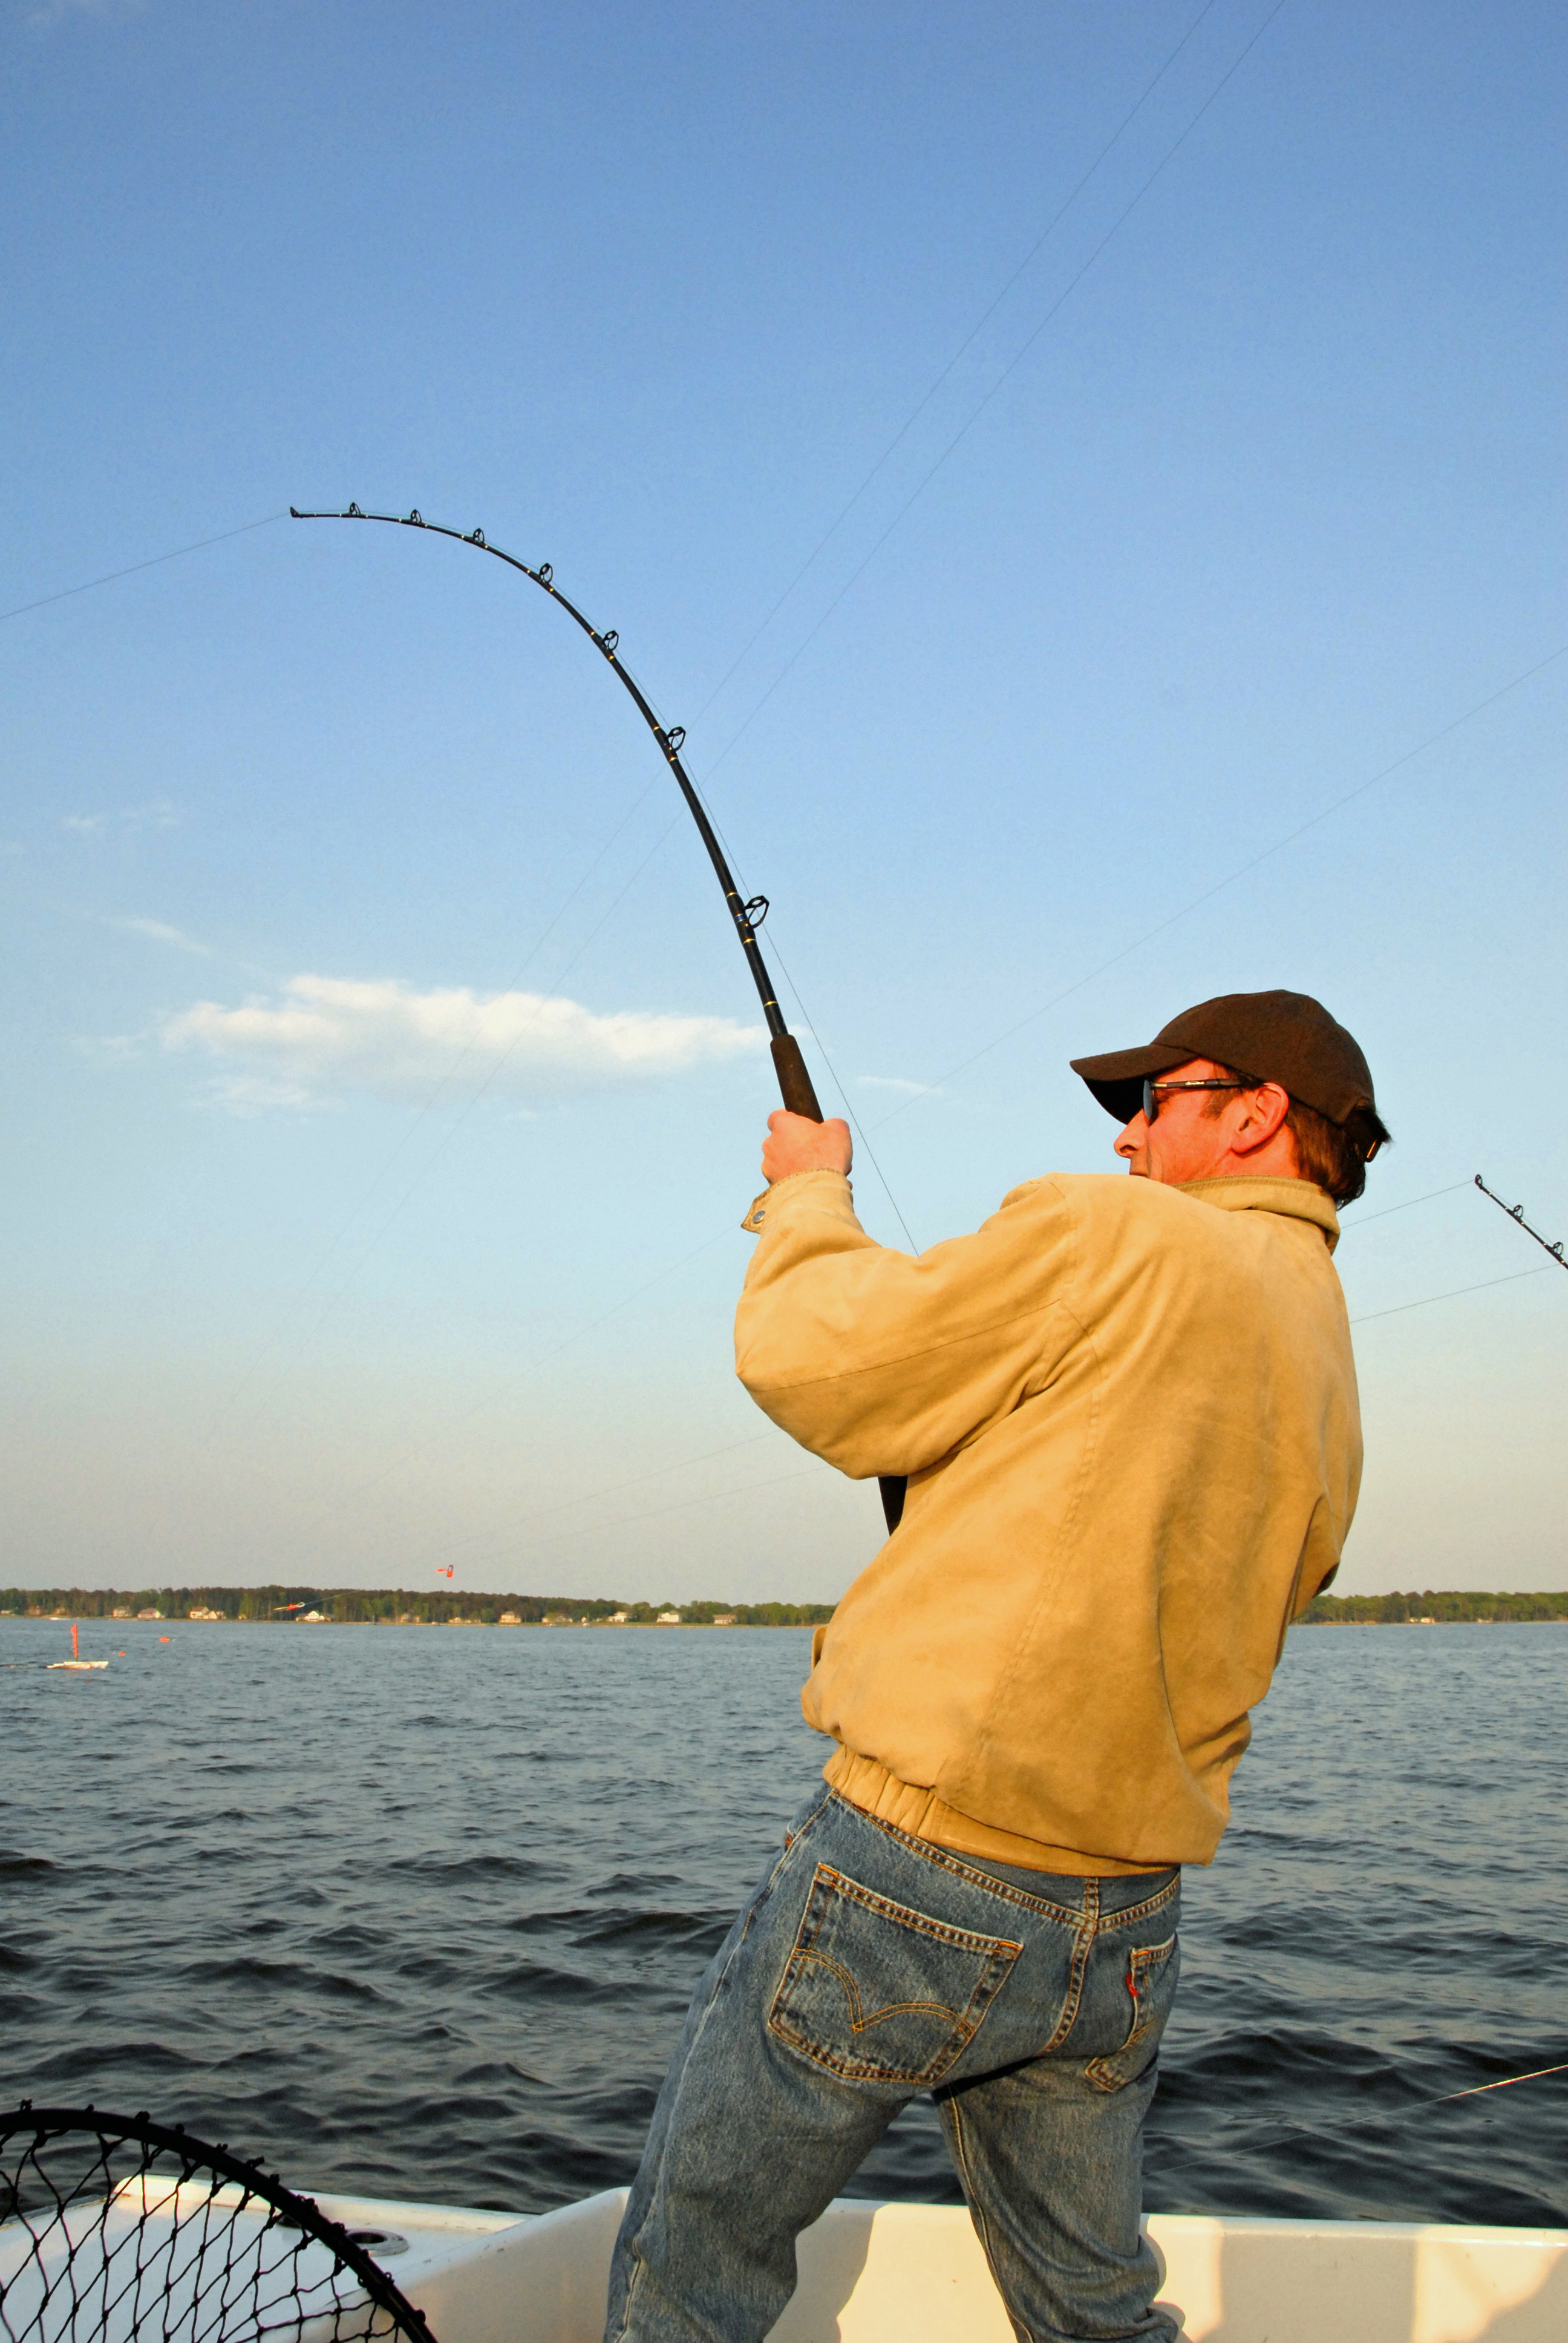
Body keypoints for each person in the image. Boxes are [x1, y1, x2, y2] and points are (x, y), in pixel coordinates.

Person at [604, 988, 1388, 2343]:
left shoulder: (1108, 1229)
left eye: (1153, 1101)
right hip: (1125, 1926)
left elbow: (823, 1359)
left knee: (696, 2265)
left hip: (917, 1867)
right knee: (1094, 2312)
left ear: (1257, 1114)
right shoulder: (1327, 1340)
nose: (1131, 1139)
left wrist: (807, 1195)